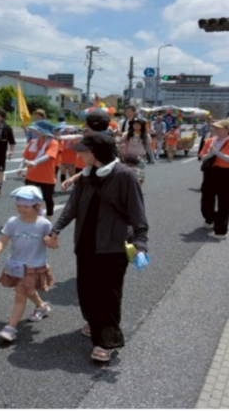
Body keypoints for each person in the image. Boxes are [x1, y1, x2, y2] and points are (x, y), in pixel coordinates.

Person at [47, 133, 149, 363]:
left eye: (83, 151)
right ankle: (94, 322)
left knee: (107, 294)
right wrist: (57, 229)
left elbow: (137, 213)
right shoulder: (86, 175)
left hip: (112, 246)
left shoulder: (124, 176)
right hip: (85, 242)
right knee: (87, 289)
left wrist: (141, 243)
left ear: (95, 153)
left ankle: (106, 341)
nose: (79, 154)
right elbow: (72, 206)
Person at [0, 186, 57, 344]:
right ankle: (42, 306)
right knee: (27, 290)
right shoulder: (13, 222)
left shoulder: (44, 224)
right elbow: (3, 240)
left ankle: (10, 328)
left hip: (34, 266)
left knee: (20, 295)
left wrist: (51, 243)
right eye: (18, 205)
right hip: (16, 265)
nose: (21, 209)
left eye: (25, 206)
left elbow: (54, 245)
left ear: (37, 206)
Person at [199, 120, 229, 239]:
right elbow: (202, 157)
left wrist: (217, 153)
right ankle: (209, 219)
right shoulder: (209, 141)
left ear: (227, 129)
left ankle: (221, 229)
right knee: (207, 199)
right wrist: (210, 154)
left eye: (219, 128)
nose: (216, 130)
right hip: (210, 172)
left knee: (224, 201)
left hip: (226, 173)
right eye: (215, 128)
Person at [22, 121, 59, 219]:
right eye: (34, 130)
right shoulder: (33, 141)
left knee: (48, 198)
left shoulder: (53, 142)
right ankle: (30, 216)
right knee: (28, 197)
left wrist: (35, 162)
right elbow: (26, 156)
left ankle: (49, 218)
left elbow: (49, 156)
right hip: (31, 175)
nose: (35, 132)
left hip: (47, 176)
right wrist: (20, 168)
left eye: (37, 130)